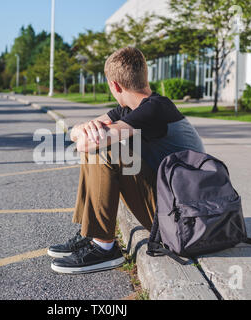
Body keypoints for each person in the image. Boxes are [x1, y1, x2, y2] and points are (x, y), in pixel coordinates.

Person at [48, 47, 205, 274]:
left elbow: (85, 144)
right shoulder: (131, 109)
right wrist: (83, 127)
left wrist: (86, 134)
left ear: (115, 86)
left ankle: (104, 247)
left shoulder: (155, 110)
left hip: (184, 220)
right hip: (174, 208)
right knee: (99, 147)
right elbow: (74, 136)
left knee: (105, 151)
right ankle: (90, 234)